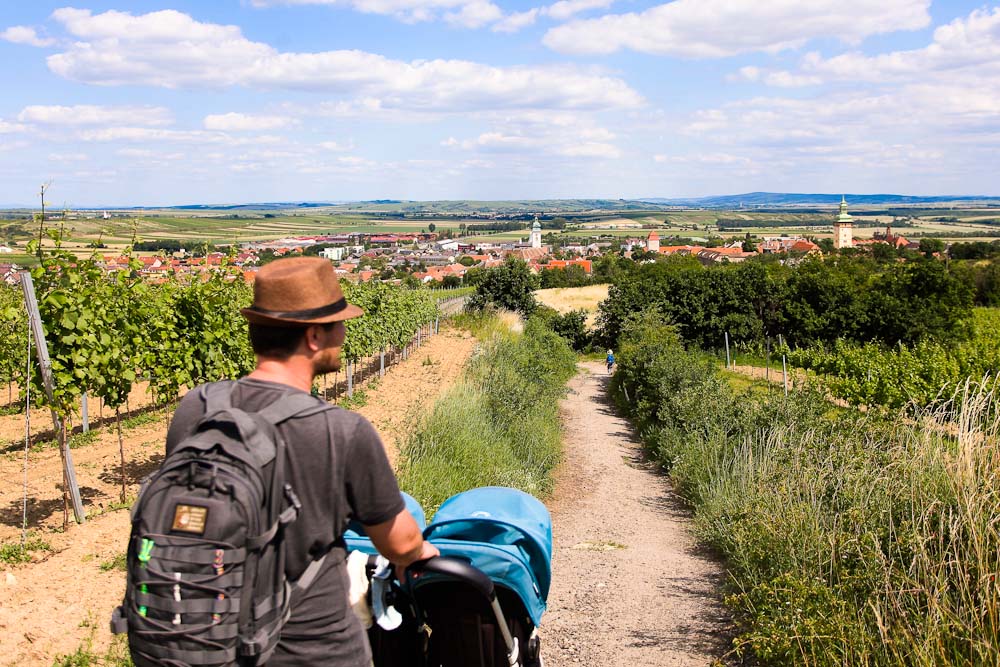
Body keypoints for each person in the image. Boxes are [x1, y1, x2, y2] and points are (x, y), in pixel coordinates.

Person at [165, 256, 438, 666]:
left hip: (207, 637)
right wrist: (419, 553)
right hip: (310, 648)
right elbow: (398, 543)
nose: (344, 333)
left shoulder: (196, 407)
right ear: (313, 335)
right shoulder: (341, 431)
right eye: (338, 323)